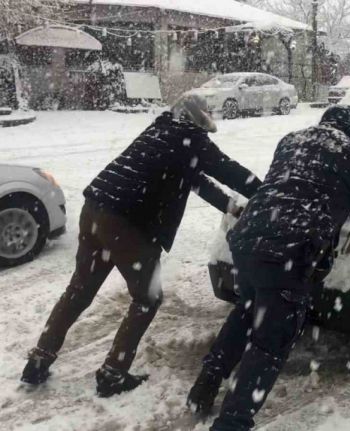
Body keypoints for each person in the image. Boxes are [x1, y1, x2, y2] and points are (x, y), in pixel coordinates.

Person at [187, 105, 350, 430]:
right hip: (288, 250)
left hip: (248, 239)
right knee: (270, 342)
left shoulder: (291, 141)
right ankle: (232, 423)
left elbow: (293, 186)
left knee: (246, 313)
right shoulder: (349, 151)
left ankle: (203, 389)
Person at [20, 94, 263, 397]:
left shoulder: (159, 131)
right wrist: (267, 191)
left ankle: (39, 360)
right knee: (148, 298)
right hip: (128, 224)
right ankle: (112, 374)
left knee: (79, 290)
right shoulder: (192, 140)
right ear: (197, 122)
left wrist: (232, 207)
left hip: (95, 210)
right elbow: (229, 170)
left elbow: (195, 180)